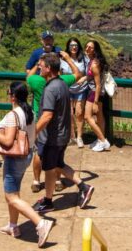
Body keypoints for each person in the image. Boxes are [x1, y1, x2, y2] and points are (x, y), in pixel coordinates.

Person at [0, 81, 54, 247]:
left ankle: (40, 223)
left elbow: (8, 142)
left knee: (11, 197)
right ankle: (13, 225)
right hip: (27, 155)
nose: (8, 95)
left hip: (14, 159)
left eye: (9, 93)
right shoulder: (29, 111)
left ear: (13, 96)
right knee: (14, 192)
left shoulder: (13, 115)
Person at [31, 53, 95, 214]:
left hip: (52, 137)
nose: (39, 66)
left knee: (50, 169)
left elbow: (47, 116)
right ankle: (83, 186)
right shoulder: (62, 84)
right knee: (58, 165)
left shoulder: (51, 88)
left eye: (41, 65)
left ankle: (48, 201)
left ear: (48, 68)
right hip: (62, 135)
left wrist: (32, 133)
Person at [83, 40, 110, 152]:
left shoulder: (94, 64)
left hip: (94, 93)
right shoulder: (93, 61)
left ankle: (103, 141)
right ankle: (100, 140)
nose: (88, 49)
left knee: (87, 117)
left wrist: (95, 102)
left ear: (95, 50)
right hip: (98, 92)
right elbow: (91, 77)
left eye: (91, 47)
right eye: (87, 46)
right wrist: (82, 79)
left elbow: (98, 85)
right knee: (99, 116)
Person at [62, 38, 88, 148]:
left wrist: (84, 79)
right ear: (68, 46)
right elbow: (59, 73)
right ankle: (71, 136)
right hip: (67, 89)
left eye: (76, 45)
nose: (74, 47)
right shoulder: (62, 59)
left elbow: (89, 73)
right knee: (69, 114)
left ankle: (79, 137)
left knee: (79, 113)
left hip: (81, 89)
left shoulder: (84, 59)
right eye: (72, 45)